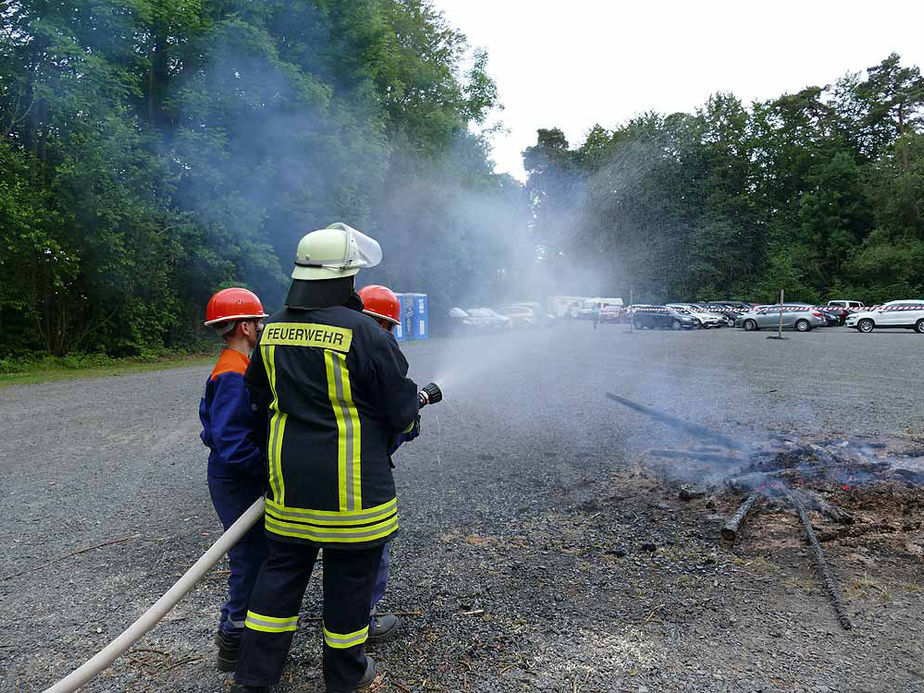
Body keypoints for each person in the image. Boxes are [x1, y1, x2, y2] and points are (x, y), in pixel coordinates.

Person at [232, 223, 421, 693]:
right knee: (350, 585)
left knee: (277, 581)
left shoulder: (272, 329)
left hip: (289, 489)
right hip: (354, 496)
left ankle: (253, 681)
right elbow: (401, 410)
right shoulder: (364, 332)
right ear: (343, 277)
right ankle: (344, 677)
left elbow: (256, 401)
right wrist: (410, 418)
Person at [198, 287, 269, 672]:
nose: (261, 327)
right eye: (258, 321)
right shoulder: (232, 372)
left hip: (237, 475)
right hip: (235, 479)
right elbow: (230, 441)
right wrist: (267, 471)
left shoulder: (235, 365)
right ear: (244, 326)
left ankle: (245, 634)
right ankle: (234, 637)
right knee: (249, 557)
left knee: (257, 554)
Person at [356, 284, 422, 644]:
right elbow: (398, 417)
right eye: (392, 327)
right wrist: (415, 411)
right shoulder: (379, 350)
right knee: (371, 546)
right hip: (362, 472)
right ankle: (361, 620)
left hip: (311, 468)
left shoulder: (337, 346)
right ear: (383, 323)